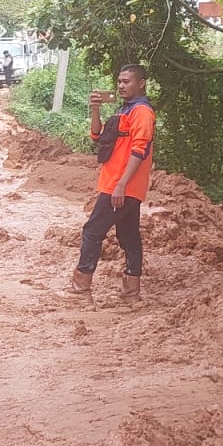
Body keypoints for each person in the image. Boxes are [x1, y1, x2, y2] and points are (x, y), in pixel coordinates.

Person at [68, 64, 156, 300]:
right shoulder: (125, 110)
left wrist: (121, 184)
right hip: (121, 185)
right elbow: (98, 136)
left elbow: (140, 150)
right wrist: (95, 109)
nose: (121, 85)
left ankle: (80, 290)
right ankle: (131, 292)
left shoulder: (142, 112)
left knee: (92, 231)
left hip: (120, 186)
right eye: (119, 81)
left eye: (126, 81)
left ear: (141, 83)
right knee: (128, 236)